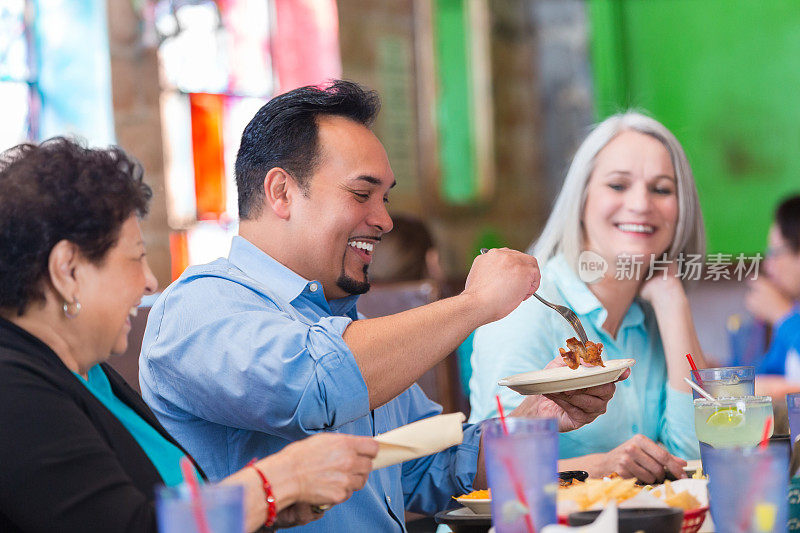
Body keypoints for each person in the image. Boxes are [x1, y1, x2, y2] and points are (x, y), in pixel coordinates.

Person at [139, 80, 625, 532]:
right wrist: (473, 304)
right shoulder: (197, 308)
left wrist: (538, 414)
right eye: (361, 194)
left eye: (386, 198)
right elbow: (314, 387)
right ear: (281, 192)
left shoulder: (345, 323)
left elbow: (429, 465)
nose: (385, 220)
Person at [0, 138, 380, 532]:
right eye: (135, 257)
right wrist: (276, 482)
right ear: (68, 270)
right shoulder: (12, 389)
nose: (149, 282)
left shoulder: (89, 373)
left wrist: (265, 510)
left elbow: (164, 508)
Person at [469, 111, 708, 484]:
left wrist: (672, 301)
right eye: (617, 185)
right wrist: (599, 468)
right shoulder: (528, 305)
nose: (642, 204)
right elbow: (485, 471)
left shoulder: (652, 315)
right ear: (581, 200)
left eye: (661, 189)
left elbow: (692, 459)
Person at [746, 195, 800, 379]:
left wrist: (783, 315)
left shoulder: (788, 316)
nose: (768, 265)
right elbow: (770, 376)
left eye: (775, 253)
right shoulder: (794, 309)